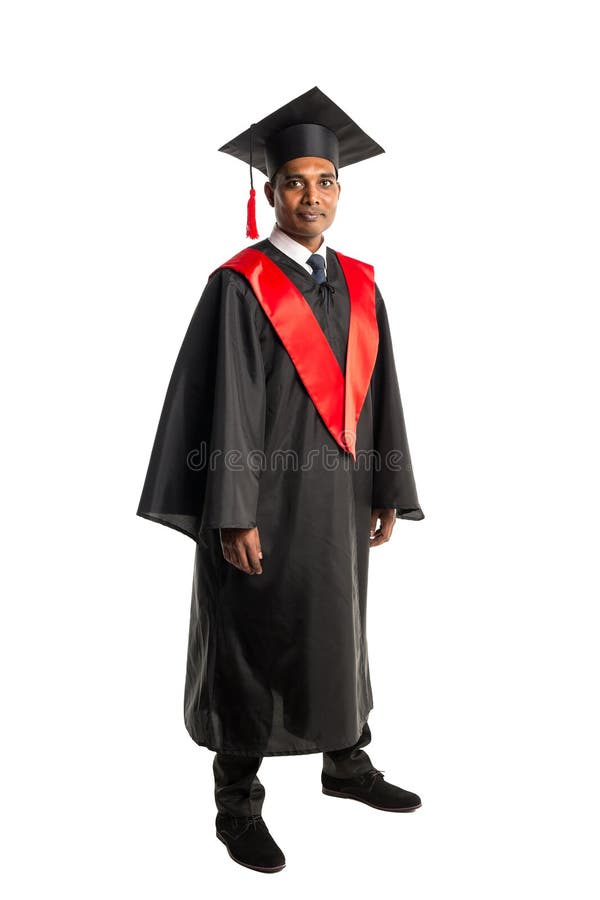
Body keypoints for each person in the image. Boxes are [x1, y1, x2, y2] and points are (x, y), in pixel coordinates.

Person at [136, 85, 425, 874]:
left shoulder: (361, 284)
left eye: (325, 181)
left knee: (340, 626)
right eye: (295, 181)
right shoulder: (240, 285)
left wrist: (387, 486)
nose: (312, 196)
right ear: (268, 192)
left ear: (340, 189)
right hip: (259, 504)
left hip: (337, 501)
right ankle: (237, 802)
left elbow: (381, 393)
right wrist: (230, 511)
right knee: (247, 641)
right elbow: (227, 404)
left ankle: (347, 764)